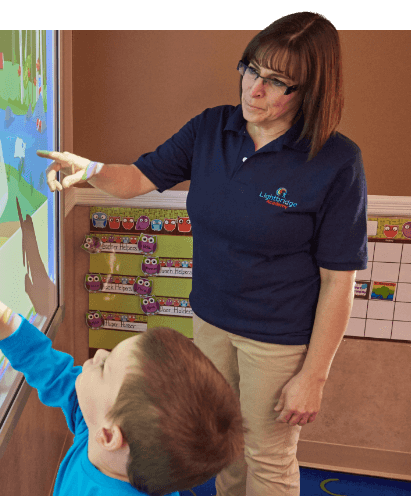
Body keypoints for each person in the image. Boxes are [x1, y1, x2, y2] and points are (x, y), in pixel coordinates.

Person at [38, 12, 368, 496]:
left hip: (277, 341)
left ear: (311, 91)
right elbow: (139, 177)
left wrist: (313, 377)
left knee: (268, 458)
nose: (254, 90)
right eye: (251, 69)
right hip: (211, 321)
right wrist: (89, 168)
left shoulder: (336, 161)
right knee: (225, 451)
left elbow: (340, 281)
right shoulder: (213, 128)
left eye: (277, 83)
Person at [0, 250, 244, 496]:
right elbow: (41, 361)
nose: (98, 354)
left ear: (110, 436)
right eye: (108, 354)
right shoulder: (100, 427)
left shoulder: (99, 431)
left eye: (104, 368)